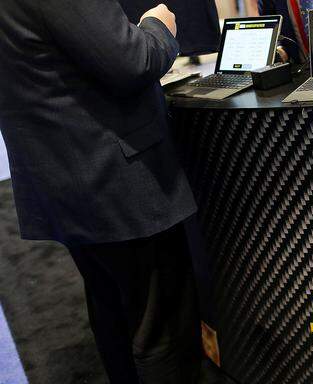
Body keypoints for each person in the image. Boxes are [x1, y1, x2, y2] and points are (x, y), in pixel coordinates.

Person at [0, 1, 202, 383]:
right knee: (162, 329)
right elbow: (133, 61)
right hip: (116, 178)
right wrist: (157, 25)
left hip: (65, 175)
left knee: (115, 314)